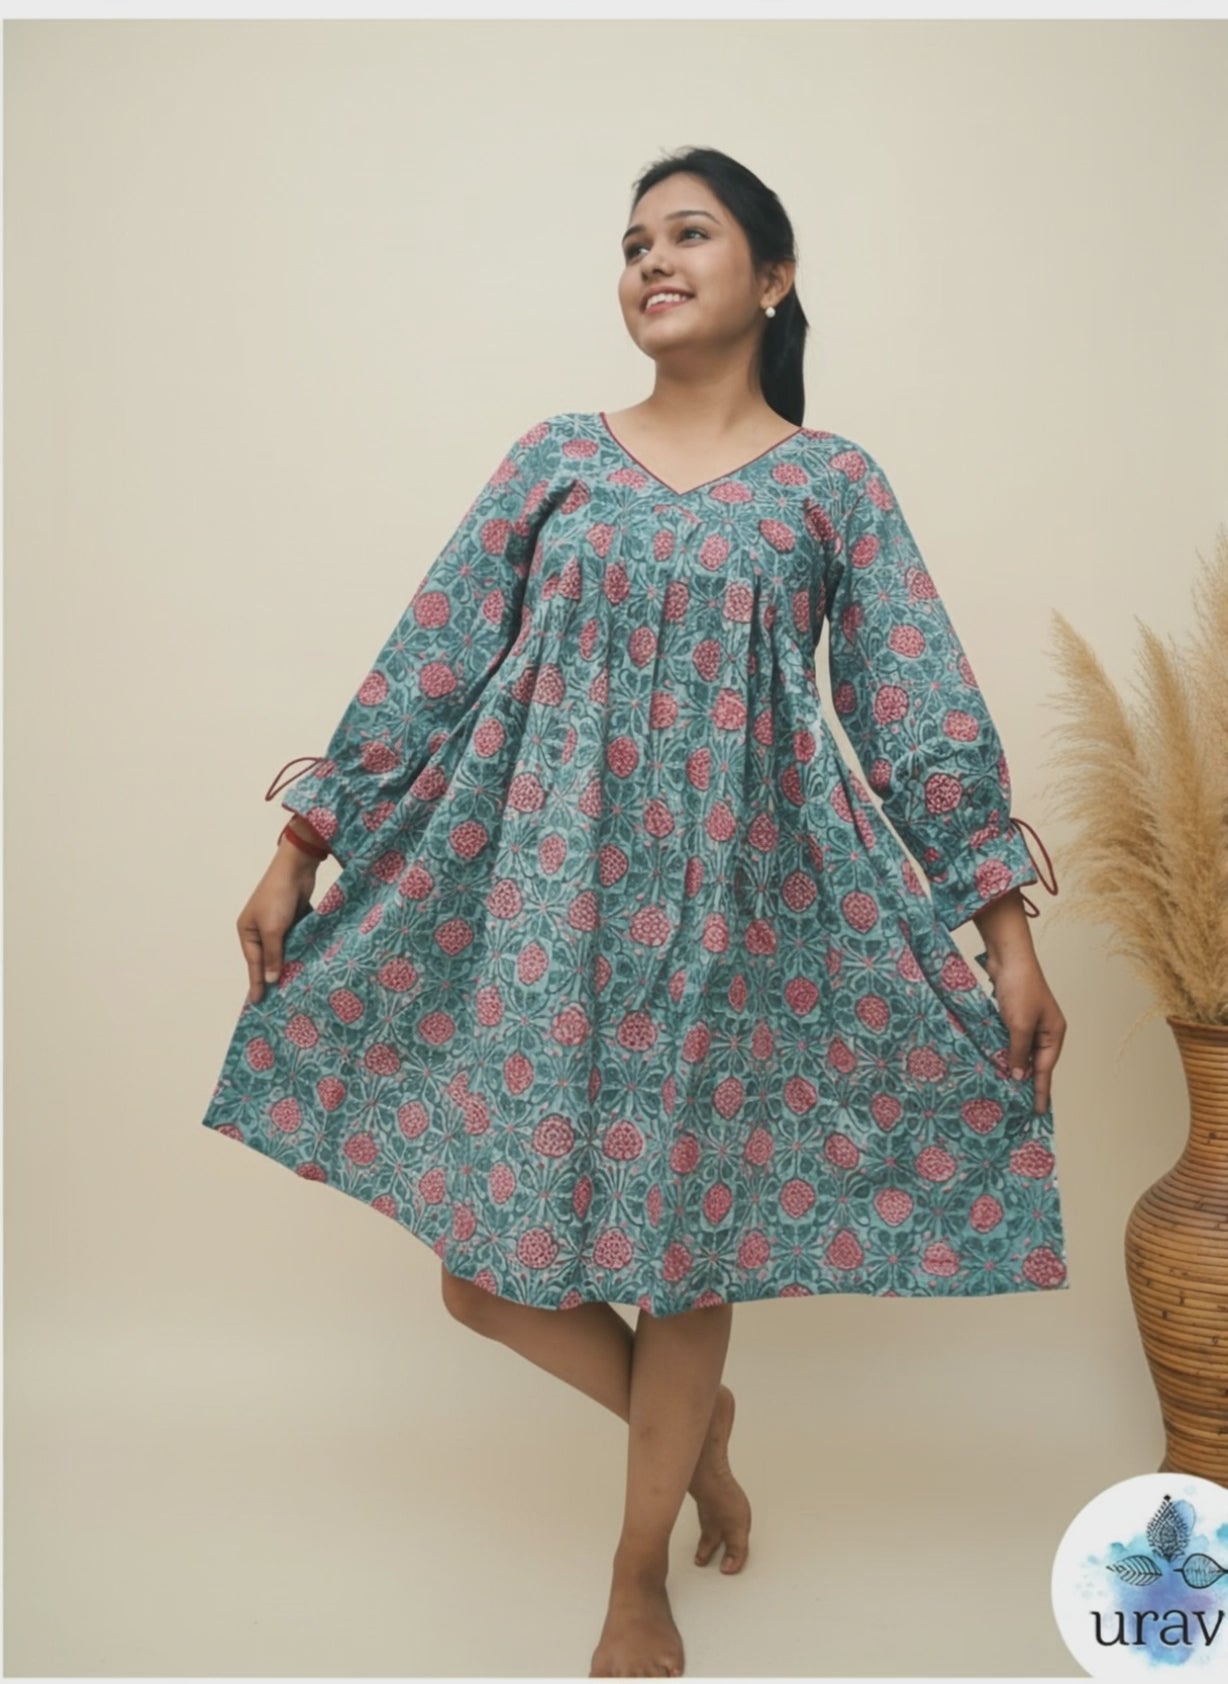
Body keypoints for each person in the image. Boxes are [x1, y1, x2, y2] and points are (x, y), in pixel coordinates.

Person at [204, 146, 1069, 1678]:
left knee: (680, 1254)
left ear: (774, 277)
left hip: (739, 918)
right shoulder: (556, 457)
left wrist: (1006, 939)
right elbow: (432, 652)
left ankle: (636, 1568)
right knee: (484, 1274)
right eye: (632, 243)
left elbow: (917, 706)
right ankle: (695, 1427)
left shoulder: (831, 485)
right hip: (538, 900)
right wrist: (301, 846)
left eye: (690, 234)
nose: (651, 261)